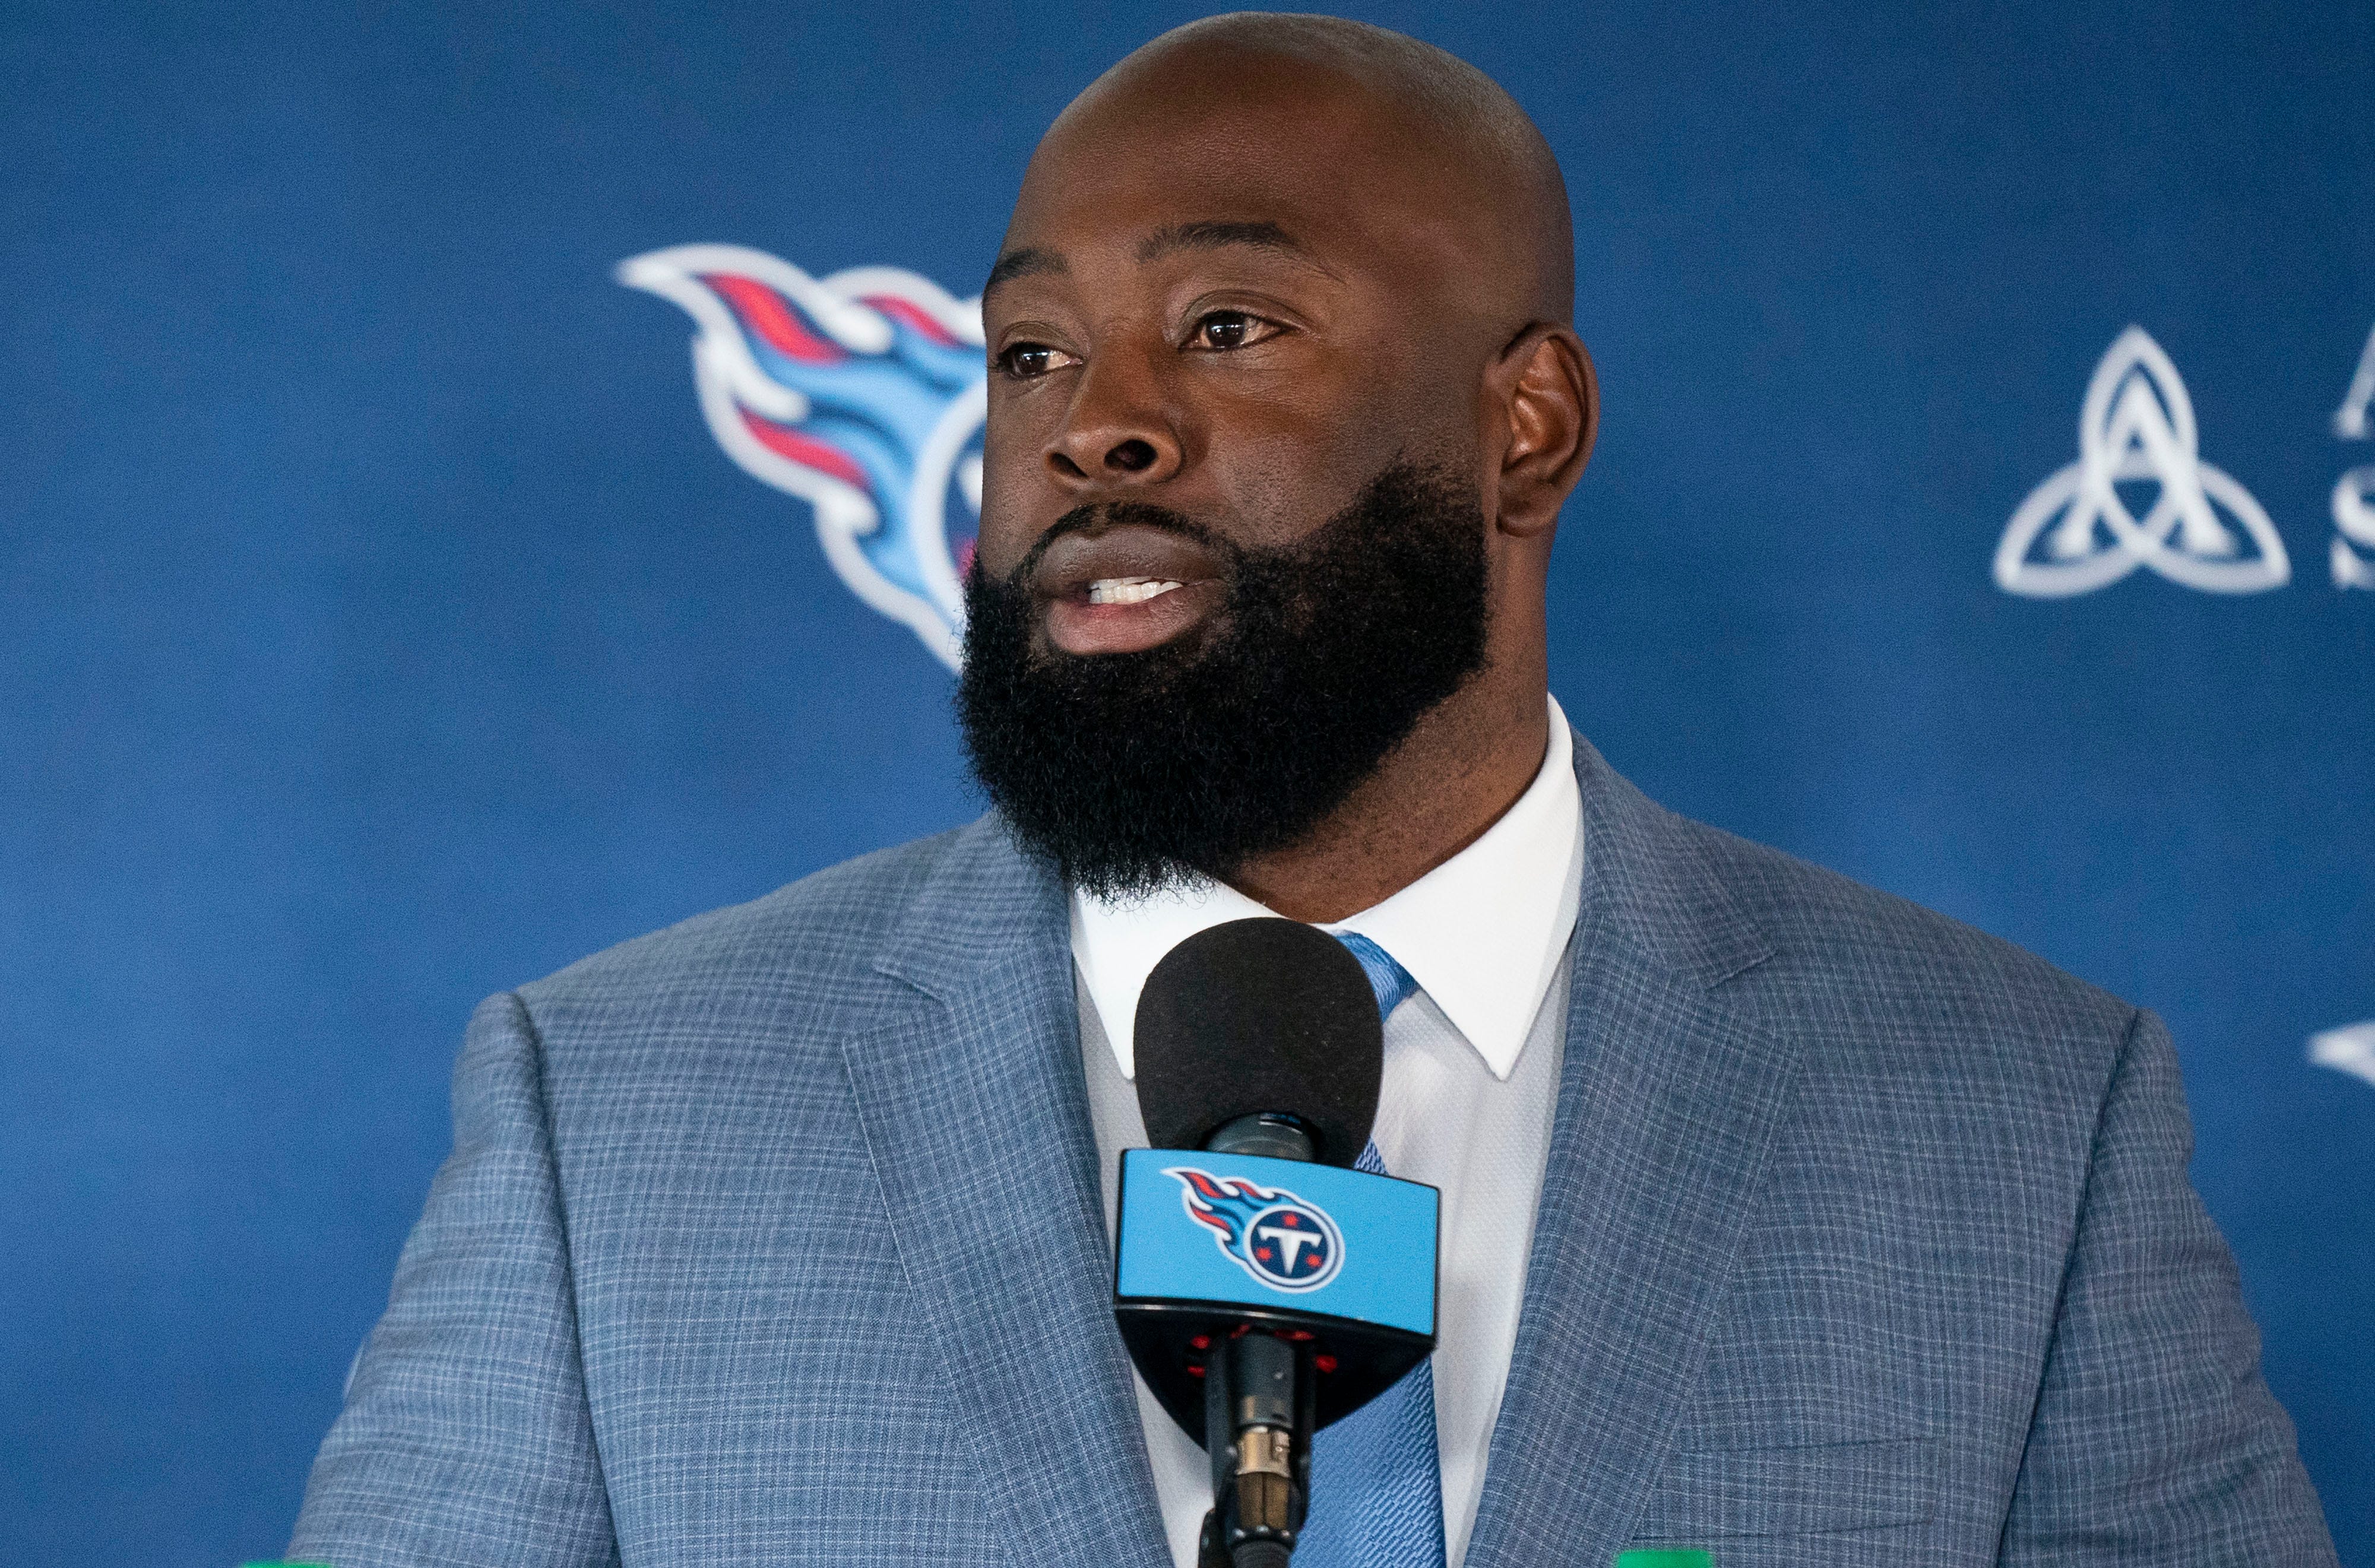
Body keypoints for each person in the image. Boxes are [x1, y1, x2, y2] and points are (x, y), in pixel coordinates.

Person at [288, 14, 2336, 1568]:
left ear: (1527, 429)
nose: (1094, 428)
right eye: (1030, 355)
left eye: (1228, 326)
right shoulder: (611, 1112)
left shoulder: (2020, 1117)